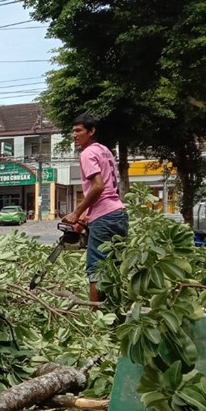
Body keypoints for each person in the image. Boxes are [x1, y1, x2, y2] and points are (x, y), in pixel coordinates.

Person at [62, 113, 128, 303]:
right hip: (118, 213)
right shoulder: (105, 151)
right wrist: (85, 218)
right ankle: (115, 311)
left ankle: (96, 320)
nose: (74, 135)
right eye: (73, 131)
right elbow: (107, 188)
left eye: (78, 130)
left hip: (105, 216)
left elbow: (98, 186)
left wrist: (76, 212)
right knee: (115, 266)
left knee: (96, 268)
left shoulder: (87, 153)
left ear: (91, 131)